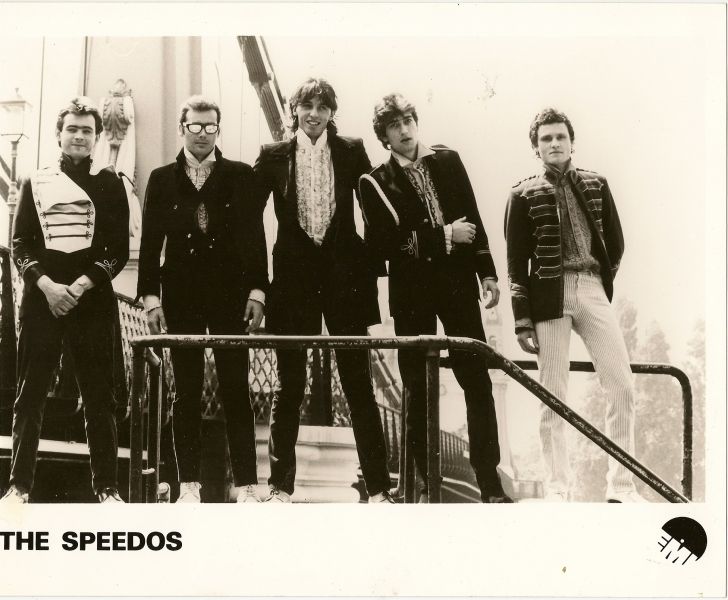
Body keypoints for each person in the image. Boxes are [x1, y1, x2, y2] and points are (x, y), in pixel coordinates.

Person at [359, 93, 512, 503]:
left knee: (476, 380)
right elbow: (384, 246)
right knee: (416, 389)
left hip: (459, 285)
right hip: (411, 294)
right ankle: (428, 486)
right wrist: (445, 235)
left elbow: (473, 218)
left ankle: (490, 484)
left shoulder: (449, 160)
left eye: (408, 120)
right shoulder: (374, 182)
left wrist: (487, 273)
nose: (404, 130)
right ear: (384, 136)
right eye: (394, 125)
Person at [254, 78, 393, 503]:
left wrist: (371, 269)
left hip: (344, 281)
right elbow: (245, 218)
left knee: (358, 385)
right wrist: (256, 285)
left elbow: (375, 209)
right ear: (294, 110)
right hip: (293, 282)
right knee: (289, 386)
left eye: (322, 106)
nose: (314, 114)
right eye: (307, 106)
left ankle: (379, 488)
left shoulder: (351, 150)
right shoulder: (273, 155)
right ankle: (280, 488)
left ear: (332, 112)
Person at [504, 107, 644, 502]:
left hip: (592, 287)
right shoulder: (522, 194)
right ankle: (558, 488)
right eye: (546, 139)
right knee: (552, 393)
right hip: (549, 296)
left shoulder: (597, 183)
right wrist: (522, 320)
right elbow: (516, 265)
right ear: (536, 148)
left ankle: (621, 486)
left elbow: (615, 243)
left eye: (560, 136)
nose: (554, 144)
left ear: (571, 142)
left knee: (621, 384)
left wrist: (600, 281)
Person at [137, 95, 268, 503]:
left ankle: (247, 486)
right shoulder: (162, 179)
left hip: (231, 297)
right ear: (182, 128)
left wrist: (257, 291)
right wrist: (151, 299)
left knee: (236, 390)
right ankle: (189, 487)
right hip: (182, 296)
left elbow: (254, 238)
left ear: (217, 129)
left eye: (210, 127)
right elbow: (149, 245)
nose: (202, 134)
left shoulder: (240, 175)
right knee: (186, 392)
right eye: (194, 126)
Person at [1, 97, 129, 504]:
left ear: (97, 137)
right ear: (59, 134)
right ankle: (18, 488)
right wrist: (48, 286)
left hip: (91, 302)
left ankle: (107, 490)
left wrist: (80, 286)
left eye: (87, 130)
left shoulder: (110, 183)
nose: (79, 136)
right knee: (30, 394)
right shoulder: (34, 181)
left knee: (99, 397)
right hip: (43, 300)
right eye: (72, 129)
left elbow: (117, 249)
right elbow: (20, 244)